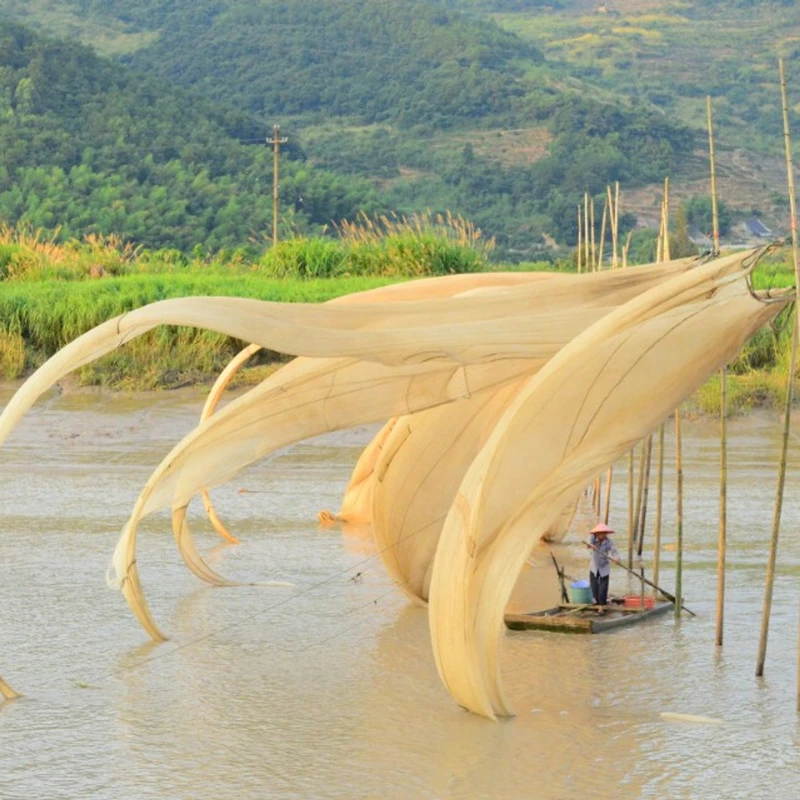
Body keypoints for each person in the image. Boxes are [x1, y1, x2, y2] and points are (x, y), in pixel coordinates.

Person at [587, 523, 619, 614]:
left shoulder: (608, 542)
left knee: (603, 587)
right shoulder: (593, 538)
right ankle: (597, 603)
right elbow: (588, 544)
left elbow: (614, 551)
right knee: (594, 587)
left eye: (604, 533)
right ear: (597, 533)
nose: (603, 535)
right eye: (601, 533)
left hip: (604, 566)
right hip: (594, 566)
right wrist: (591, 546)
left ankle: (601, 607)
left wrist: (616, 558)